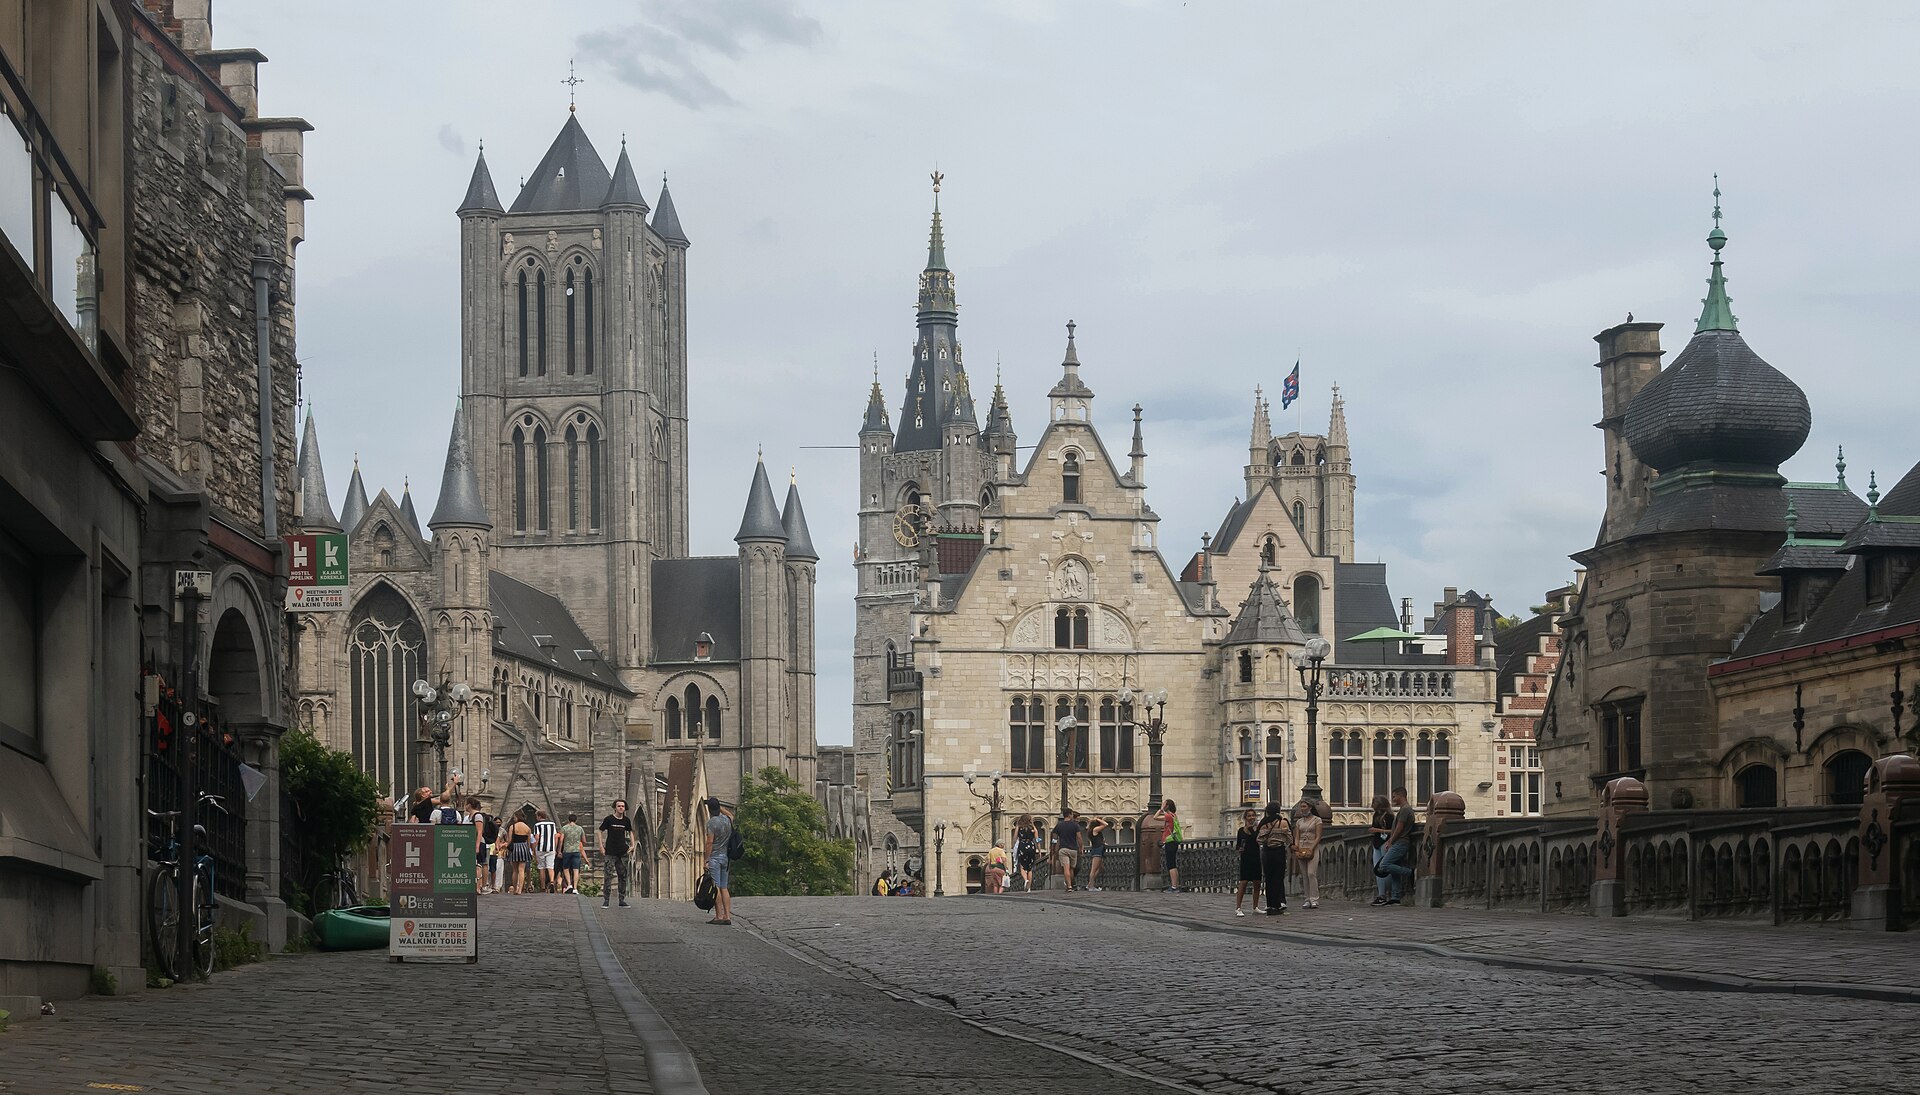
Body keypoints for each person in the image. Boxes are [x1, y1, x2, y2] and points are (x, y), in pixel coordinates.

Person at [1376, 786, 1419, 905]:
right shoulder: (1403, 809)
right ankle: (1396, 896)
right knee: (1394, 870)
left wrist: (1390, 841)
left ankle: (1410, 872)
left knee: (1384, 865)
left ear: (1401, 796)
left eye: (1395, 796)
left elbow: (1400, 827)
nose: (1393, 799)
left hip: (1400, 842)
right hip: (1399, 842)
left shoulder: (1406, 809)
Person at [597, 799, 635, 908]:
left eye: (623, 806)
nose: (621, 808)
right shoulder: (609, 819)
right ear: (615, 807)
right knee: (608, 876)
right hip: (610, 851)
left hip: (622, 852)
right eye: (619, 806)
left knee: (622, 876)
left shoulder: (626, 821)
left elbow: (630, 832)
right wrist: (601, 846)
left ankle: (622, 899)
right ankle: (606, 900)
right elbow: (600, 831)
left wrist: (632, 845)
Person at [703, 797, 735, 925]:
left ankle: (719, 916)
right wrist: (719, 806)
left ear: (710, 809)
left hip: (715, 858)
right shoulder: (727, 820)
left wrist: (706, 860)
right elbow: (730, 814)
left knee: (715, 887)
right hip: (725, 858)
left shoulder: (712, 823)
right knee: (724, 887)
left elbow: (709, 842)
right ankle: (727, 916)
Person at [1256, 802, 1292, 914]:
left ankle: (1270, 904)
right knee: (1278, 877)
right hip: (1279, 851)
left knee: (1269, 878)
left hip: (1267, 852)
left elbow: (1259, 840)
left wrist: (1268, 840)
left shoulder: (1264, 824)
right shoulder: (1283, 822)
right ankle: (1278, 903)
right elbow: (1290, 838)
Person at [1293, 798, 1328, 909]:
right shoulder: (1299, 822)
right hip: (1301, 847)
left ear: (1310, 807)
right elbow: (1297, 836)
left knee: (1311, 873)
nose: (1302, 809)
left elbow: (1318, 836)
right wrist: (1297, 847)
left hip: (1312, 847)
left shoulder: (1317, 820)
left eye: (1304, 806)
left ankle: (1314, 898)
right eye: (1301, 807)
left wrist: (1311, 848)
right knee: (1304, 874)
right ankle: (1307, 898)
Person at [1231, 808, 1262, 916]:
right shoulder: (1241, 831)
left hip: (1256, 857)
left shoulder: (1257, 830)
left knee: (1257, 882)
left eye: (1253, 815)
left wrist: (1253, 830)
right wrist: (1239, 849)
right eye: (1249, 816)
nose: (1251, 818)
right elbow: (1238, 845)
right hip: (1246, 858)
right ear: (1245, 818)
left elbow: (1258, 840)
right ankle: (1238, 907)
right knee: (1243, 883)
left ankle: (1255, 907)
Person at [1366, 795, 1393, 906]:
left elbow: (1393, 831)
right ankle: (1381, 894)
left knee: (1385, 868)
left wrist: (1377, 830)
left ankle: (1388, 893)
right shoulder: (1376, 815)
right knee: (1377, 869)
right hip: (1377, 843)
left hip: (1385, 843)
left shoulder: (1390, 816)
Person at [1051, 809, 1085, 891]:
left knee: (1066, 868)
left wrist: (1053, 848)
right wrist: (1081, 847)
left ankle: (1069, 886)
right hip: (1073, 849)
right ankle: (1072, 885)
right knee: (1071, 869)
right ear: (1070, 815)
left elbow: (1054, 838)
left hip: (1063, 849)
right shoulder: (1075, 825)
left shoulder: (1059, 825)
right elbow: (1079, 838)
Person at [1154, 799, 1184, 892]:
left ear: (1167, 806)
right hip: (1174, 842)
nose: (1162, 805)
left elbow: (1155, 817)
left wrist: (1161, 809)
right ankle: (1175, 885)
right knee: (1173, 864)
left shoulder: (1168, 816)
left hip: (1170, 842)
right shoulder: (1173, 815)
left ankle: (1174, 887)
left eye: (1164, 804)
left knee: (1171, 864)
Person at [558, 813, 588, 894]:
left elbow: (561, 840)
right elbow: (584, 841)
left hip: (567, 851)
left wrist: (559, 851)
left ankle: (569, 884)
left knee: (566, 868)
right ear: (576, 820)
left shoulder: (564, 828)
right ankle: (575, 888)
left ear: (568, 820)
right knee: (576, 870)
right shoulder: (580, 828)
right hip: (576, 851)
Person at [506, 812, 534, 894]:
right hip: (523, 847)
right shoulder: (527, 828)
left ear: (517, 817)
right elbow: (529, 842)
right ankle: (520, 889)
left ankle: (515, 888)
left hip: (514, 847)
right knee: (522, 870)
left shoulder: (512, 827)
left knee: (515, 870)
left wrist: (507, 848)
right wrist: (527, 850)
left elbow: (510, 840)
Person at [472, 800, 496, 895]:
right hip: (486, 844)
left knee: (480, 865)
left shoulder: (477, 817)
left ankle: (481, 886)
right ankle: (483, 885)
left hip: (481, 844)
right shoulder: (484, 818)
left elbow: (479, 832)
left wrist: (477, 846)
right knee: (484, 864)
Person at [1012, 815, 1041, 892]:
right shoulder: (1033, 828)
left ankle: (1025, 880)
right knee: (1030, 868)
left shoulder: (1019, 826)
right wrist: (1039, 850)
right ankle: (1029, 888)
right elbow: (1037, 839)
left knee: (1022, 866)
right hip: (1031, 846)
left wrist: (1014, 845)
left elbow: (1015, 837)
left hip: (1022, 846)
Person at [533, 810, 559, 894]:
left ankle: (543, 887)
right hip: (551, 848)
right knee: (550, 866)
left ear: (539, 816)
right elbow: (555, 837)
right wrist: (555, 848)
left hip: (541, 848)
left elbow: (537, 837)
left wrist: (534, 848)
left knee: (541, 867)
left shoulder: (537, 825)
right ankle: (551, 882)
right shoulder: (552, 824)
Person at [1084, 817, 1109, 892]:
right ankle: (1091, 886)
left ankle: (1089, 884)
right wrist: (1096, 819)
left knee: (1100, 868)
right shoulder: (1095, 830)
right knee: (1094, 869)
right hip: (1097, 850)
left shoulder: (1092, 830)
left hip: (1098, 849)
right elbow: (1106, 824)